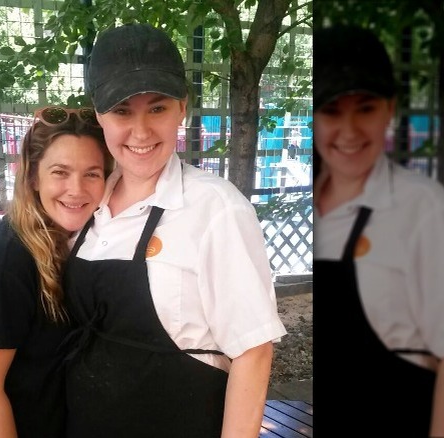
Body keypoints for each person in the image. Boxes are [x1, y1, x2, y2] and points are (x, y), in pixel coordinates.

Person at [61, 23, 287, 437]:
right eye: (122, 111)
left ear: (183, 108)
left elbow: (253, 353)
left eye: (158, 108)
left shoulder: (216, 208)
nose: (141, 132)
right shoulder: (81, 203)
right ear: (99, 114)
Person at [311, 24, 444, 436]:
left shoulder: (424, 210)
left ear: (390, 109)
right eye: (331, 111)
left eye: (366, 108)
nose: (350, 131)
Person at [0, 107, 114, 437]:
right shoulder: (6, 262)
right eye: (60, 172)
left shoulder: (72, 242)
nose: (77, 189)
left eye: (92, 173)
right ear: (33, 177)